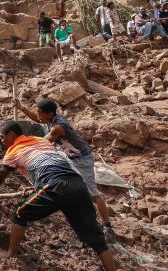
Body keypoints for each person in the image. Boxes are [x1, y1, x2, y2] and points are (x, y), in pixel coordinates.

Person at [0, 121, 116, 270]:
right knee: (98, 241)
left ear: (11, 135)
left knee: (20, 212)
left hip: (57, 184)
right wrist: (36, 188)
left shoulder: (13, 151)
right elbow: (45, 164)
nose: (1, 141)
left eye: (2, 137)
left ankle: (10, 253)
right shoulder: (41, 140)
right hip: (78, 183)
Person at [15, 98, 114, 240]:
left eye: (40, 113)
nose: (38, 116)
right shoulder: (50, 119)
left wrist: (20, 150)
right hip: (68, 157)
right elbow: (38, 120)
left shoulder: (58, 127)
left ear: (49, 114)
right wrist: (22, 108)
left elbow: (43, 143)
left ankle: (108, 227)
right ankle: (41, 188)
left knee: (92, 195)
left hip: (82, 160)